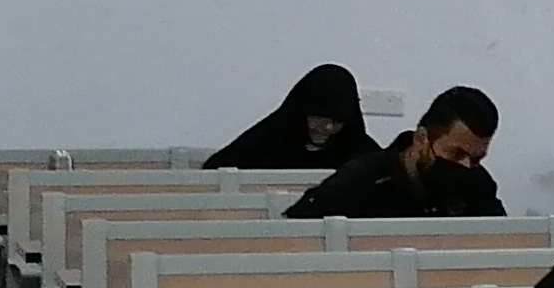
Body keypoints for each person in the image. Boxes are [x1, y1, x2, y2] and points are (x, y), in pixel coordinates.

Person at [289, 88, 503, 219]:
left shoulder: (478, 184)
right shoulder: (362, 180)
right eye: (456, 154)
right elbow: (298, 231)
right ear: (421, 138)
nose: (466, 166)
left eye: (476, 159)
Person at [209, 65, 377, 178]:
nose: (327, 127)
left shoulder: (362, 153)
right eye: (318, 118)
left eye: (338, 122)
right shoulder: (267, 143)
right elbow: (216, 172)